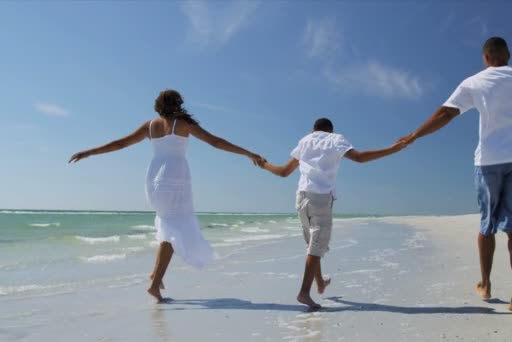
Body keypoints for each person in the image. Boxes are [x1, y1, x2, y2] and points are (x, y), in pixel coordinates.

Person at [398, 37, 512, 311]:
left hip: (488, 162)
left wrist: (415, 135)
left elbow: (445, 114)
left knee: (487, 226)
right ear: (508, 54)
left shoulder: (474, 82)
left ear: (485, 57)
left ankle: (485, 284)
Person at [69, 89, 264, 302]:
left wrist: (88, 152)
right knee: (173, 230)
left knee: (167, 226)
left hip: (154, 179)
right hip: (176, 178)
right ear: (178, 104)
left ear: (158, 105)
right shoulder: (183, 124)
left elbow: (120, 143)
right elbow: (216, 142)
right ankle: (154, 284)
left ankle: (155, 276)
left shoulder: (150, 126)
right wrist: (248, 153)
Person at [260, 118, 408, 309]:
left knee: (313, 243)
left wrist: (264, 164)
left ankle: (320, 281)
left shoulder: (304, 141)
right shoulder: (335, 139)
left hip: (301, 197)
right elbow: (360, 157)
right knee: (316, 245)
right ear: (330, 130)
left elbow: (283, 172)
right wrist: (393, 148)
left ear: (313, 129)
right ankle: (304, 292)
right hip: (320, 198)